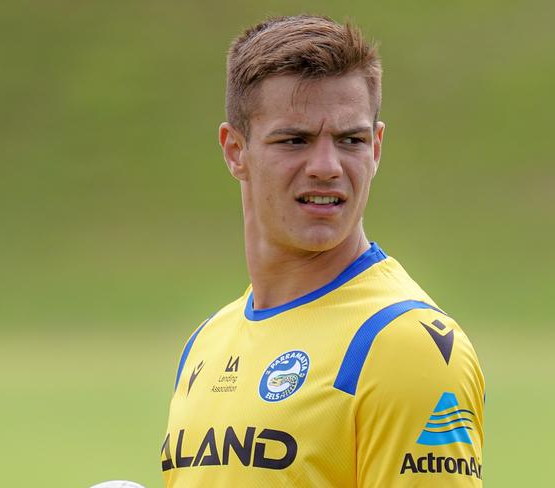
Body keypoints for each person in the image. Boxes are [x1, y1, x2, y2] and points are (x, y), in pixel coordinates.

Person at [161, 14, 485, 487]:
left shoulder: (404, 344)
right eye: (295, 140)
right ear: (235, 151)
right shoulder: (206, 344)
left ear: (376, 148)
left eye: (350, 140)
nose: (326, 167)